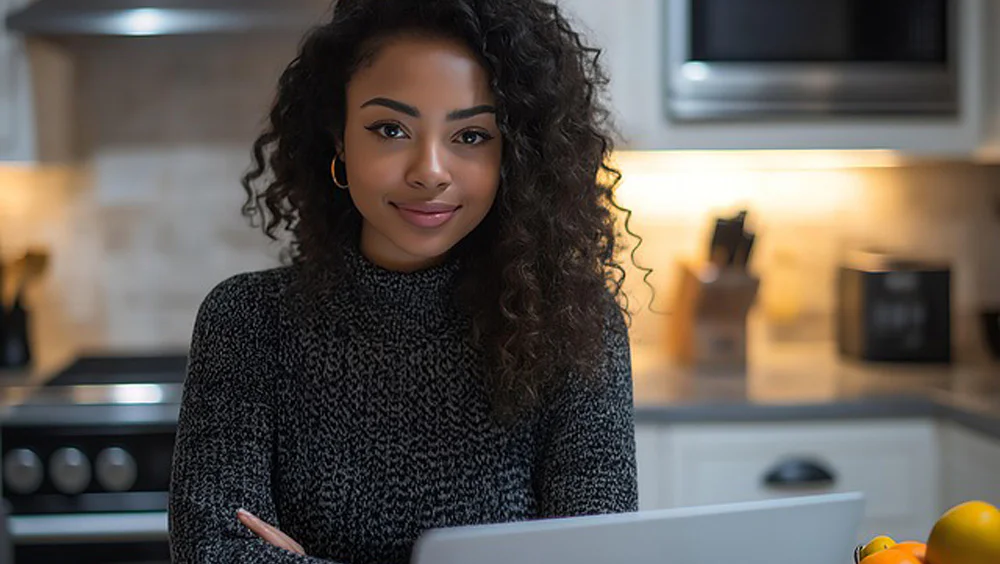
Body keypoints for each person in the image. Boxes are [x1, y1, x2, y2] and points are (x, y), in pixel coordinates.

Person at [168, 0, 649, 562]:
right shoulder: (249, 321)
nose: (429, 170)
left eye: (470, 136)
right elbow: (212, 551)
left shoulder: (572, 330)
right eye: (390, 129)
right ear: (340, 140)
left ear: (513, 156)